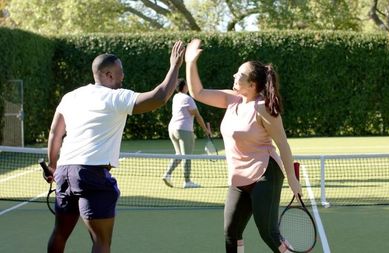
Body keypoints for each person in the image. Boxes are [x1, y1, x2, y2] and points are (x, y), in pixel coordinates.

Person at [43, 41, 185, 253]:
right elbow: (160, 97)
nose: (123, 77)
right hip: (92, 174)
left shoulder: (70, 97)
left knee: (60, 233)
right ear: (108, 75)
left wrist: (52, 165)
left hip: (64, 172)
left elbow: (56, 133)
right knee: (101, 241)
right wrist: (175, 66)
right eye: (120, 73)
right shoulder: (116, 97)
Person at [184, 39, 302, 253]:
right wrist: (190, 62)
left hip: (265, 174)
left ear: (252, 85)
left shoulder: (263, 109)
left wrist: (293, 180)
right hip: (238, 178)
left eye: (240, 75)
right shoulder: (232, 100)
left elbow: (282, 145)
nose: (234, 76)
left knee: (269, 233)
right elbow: (198, 93)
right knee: (231, 231)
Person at [162, 78, 211, 188]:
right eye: (187, 85)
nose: (189, 86)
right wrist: (205, 130)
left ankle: (167, 174)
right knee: (186, 156)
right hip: (183, 130)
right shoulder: (187, 98)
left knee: (179, 154)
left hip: (172, 129)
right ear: (184, 87)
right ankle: (187, 181)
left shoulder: (176, 97)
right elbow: (197, 115)